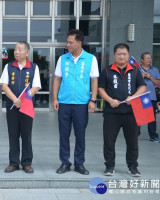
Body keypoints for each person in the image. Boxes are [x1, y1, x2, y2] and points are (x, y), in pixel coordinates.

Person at [53, 29, 99, 175]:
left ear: (79, 43)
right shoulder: (62, 59)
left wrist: (93, 100)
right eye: (67, 42)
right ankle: (65, 163)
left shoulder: (91, 59)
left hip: (82, 104)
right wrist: (55, 98)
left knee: (80, 135)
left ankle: (79, 164)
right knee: (63, 134)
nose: (68, 45)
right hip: (64, 103)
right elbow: (57, 79)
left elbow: (94, 80)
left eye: (70, 42)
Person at [98, 43, 146, 177]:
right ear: (114, 55)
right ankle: (109, 166)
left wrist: (134, 97)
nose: (122, 56)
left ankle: (133, 166)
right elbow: (100, 89)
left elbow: (142, 87)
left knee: (132, 142)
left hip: (131, 113)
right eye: (119, 54)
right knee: (109, 141)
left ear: (128, 55)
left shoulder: (135, 70)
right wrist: (110, 100)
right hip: (111, 113)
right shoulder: (106, 71)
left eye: (124, 54)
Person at [0, 41, 41, 173]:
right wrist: (15, 100)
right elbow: (4, 85)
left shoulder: (33, 67)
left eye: (20, 49)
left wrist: (24, 100)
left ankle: (27, 163)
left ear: (27, 52)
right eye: (15, 49)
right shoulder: (9, 66)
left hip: (27, 106)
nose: (16, 52)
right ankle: (13, 163)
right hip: (12, 106)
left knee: (26, 135)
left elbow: (36, 86)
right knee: (13, 134)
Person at [138, 52, 160, 143]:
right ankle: (135, 134)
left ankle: (153, 136)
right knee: (139, 117)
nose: (149, 60)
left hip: (151, 96)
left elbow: (159, 83)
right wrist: (141, 76)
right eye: (147, 58)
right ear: (142, 60)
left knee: (151, 117)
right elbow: (132, 82)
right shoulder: (137, 69)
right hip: (140, 96)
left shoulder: (155, 70)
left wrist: (150, 77)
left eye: (150, 58)